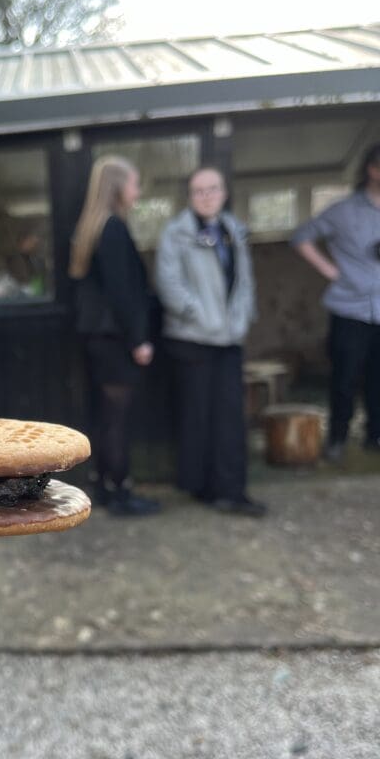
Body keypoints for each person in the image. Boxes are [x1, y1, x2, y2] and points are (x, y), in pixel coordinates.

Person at [155, 167, 266, 517]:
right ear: (189, 196)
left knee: (230, 418)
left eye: (213, 189)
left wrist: (240, 318)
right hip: (193, 341)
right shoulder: (176, 233)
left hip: (228, 340)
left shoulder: (234, 229)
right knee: (198, 417)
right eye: (198, 190)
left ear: (224, 191)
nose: (206, 196)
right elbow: (169, 284)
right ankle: (202, 487)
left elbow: (244, 281)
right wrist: (200, 316)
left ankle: (231, 490)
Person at [69, 155, 160, 516]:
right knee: (116, 419)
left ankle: (105, 486)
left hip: (100, 338)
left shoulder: (94, 227)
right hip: (116, 340)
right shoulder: (113, 229)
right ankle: (120, 491)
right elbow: (124, 293)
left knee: (107, 417)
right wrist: (139, 340)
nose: (137, 192)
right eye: (135, 184)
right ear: (119, 187)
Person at [291, 143, 380, 461]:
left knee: (378, 380)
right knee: (344, 379)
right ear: (373, 170)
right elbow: (301, 236)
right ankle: (338, 439)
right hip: (349, 310)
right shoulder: (343, 211)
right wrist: (330, 269)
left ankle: (375, 437)